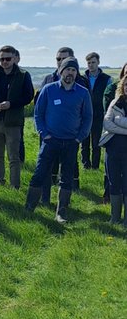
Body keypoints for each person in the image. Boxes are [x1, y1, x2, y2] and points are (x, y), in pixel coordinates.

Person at [25, 57, 93, 224]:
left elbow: (88, 117)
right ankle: (29, 208)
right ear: (61, 71)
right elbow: (38, 114)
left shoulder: (83, 93)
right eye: (67, 69)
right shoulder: (48, 90)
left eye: (73, 70)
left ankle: (61, 213)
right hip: (50, 140)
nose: (70, 73)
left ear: (76, 73)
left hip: (71, 142)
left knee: (67, 177)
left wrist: (79, 137)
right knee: (40, 173)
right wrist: (44, 133)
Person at [38, 46, 88, 204]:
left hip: (70, 135)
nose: (59, 62)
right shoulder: (48, 79)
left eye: (63, 59)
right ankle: (44, 199)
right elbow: (39, 104)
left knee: (68, 167)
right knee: (45, 167)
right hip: (48, 133)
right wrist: (44, 132)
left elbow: (86, 110)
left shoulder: (82, 83)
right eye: (58, 59)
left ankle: (65, 202)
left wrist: (79, 135)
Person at [0, 46, 34, 188]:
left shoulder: (23, 75)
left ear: (14, 58)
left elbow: (28, 96)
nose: (4, 62)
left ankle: (14, 186)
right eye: (1, 59)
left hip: (13, 123)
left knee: (13, 158)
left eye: (7, 59)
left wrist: (11, 104)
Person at [99, 73, 127, 226]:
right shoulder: (115, 102)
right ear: (122, 86)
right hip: (113, 147)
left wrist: (119, 121)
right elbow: (107, 124)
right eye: (126, 85)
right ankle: (114, 218)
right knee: (113, 181)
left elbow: (114, 122)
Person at [81, 52, 111, 170]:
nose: (91, 65)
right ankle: (85, 165)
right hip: (84, 114)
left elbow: (109, 97)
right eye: (89, 63)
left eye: (93, 62)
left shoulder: (106, 79)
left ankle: (95, 166)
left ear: (98, 62)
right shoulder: (82, 78)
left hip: (99, 114)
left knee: (96, 143)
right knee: (84, 142)